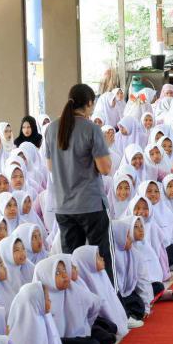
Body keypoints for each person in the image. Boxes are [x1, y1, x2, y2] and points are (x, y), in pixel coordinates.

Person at [44, 83, 114, 282]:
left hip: (63, 206)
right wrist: (106, 148)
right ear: (89, 103)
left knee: (71, 261)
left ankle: (77, 299)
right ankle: (109, 299)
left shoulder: (52, 129)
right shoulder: (91, 129)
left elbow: (50, 166)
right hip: (90, 204)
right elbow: (105, 168)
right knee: (101, 258)